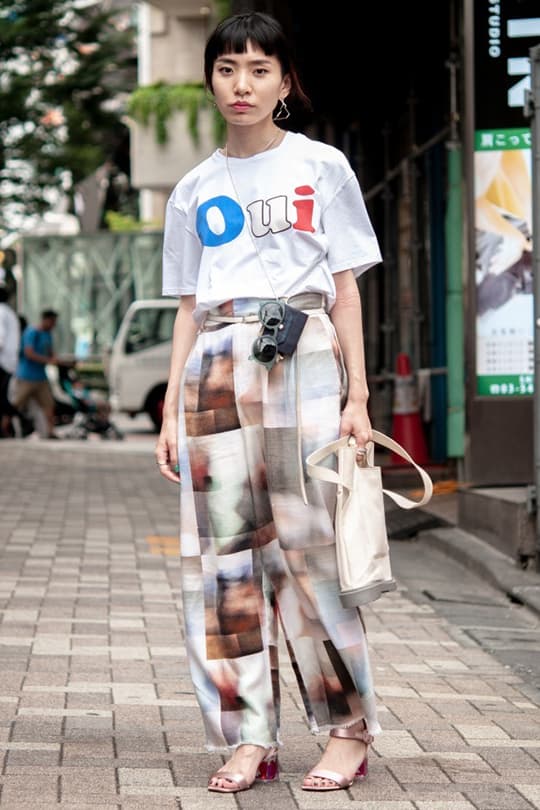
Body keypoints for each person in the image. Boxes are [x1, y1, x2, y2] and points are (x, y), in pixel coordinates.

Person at [155, 11, 383, 795]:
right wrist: (166, 412)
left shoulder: (322, 168)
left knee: (309, 548)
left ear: (286, 81)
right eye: (227, 69)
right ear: (211, 79)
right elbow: (187, 304)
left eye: (258, 69)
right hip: (217, 364)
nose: (241, 84)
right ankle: (250, 736)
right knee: (223, 564)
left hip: (305, 358)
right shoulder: (192, 190)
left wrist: (359, 395)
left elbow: (347, 289)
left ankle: (346, 727)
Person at [12, 308, 60, 439]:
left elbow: (50, 352)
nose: (54, 325)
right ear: (46, 320)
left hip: (41, 377)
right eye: (52, 322)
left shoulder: (48, 334)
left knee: (49, 405)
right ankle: (4, 427)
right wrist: (48, 360)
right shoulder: (32, 332)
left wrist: (56, 359)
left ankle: (50, 432)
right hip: (26, 376)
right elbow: (29, 353)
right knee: (15, 404)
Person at [0, 284, 21, 437]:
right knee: (2, 395)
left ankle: (14, 415)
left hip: (2, 361)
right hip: (9, 362)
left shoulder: (0, 312)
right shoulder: (10, 313)